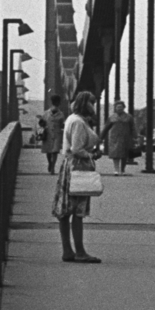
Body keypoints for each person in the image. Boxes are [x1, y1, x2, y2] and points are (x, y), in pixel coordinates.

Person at [52, 91, 102, 263]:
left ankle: (68, 250)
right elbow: (77, 149)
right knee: (78, 212)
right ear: (85, 103)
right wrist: (91, 155)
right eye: (92, 102)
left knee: (66, 211)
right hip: (78, 167)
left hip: (69, 167)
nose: (94, 106)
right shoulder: (79, 122)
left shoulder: (73, 119)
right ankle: (80, 251)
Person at [103, 100, 134, 174]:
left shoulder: (129, 117)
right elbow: (106, 128)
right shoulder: (112, 117)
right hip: (115, 138)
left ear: (124, 107)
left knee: (124, 154)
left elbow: (132, 127)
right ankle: (116, 169)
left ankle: (122, 170)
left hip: (125, 137)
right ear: (115, 108)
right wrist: (101, 137)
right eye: (117, 107)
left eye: (121, 107)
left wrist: (135, 137)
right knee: (115, 154)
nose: (119, 108)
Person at [42, 93, 66, 174]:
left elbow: (62, 124)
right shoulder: (46, 113)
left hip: (57, 134)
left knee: (55, 151)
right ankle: (50, 163)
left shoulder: (61, 114)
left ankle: (52, 167)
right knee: (49, 151)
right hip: (48, 133)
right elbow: (42, 123)